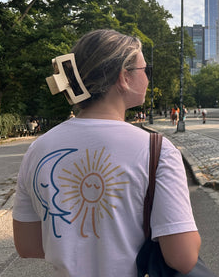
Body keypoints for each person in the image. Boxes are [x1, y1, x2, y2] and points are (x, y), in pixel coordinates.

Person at [12, 29, 201, 276]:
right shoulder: (157, 150)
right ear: (124, 77)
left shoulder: (39, 148)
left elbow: (27, 246)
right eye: (147, 71)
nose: (148, 78)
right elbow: (183, 258)